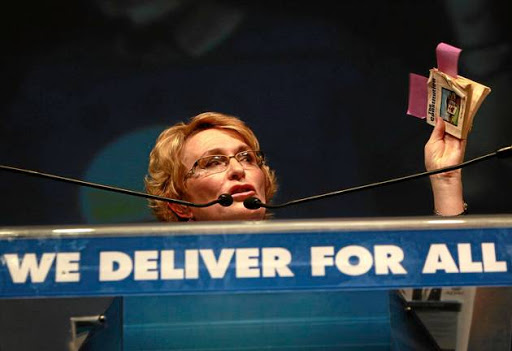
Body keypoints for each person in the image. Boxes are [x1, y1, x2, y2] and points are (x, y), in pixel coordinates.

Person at [145, 112, 466, 221]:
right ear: (180, 204)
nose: (238, 169)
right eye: (213, 161)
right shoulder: (152, 287)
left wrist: (446, 179)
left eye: (246, 157)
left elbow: (445, 297)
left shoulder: (312, 259)